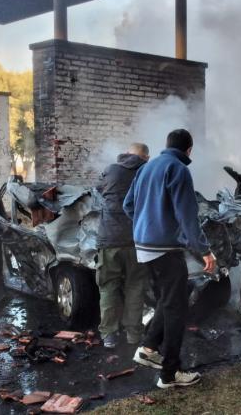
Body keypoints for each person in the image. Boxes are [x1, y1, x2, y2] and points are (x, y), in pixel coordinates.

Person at [123, 129, 217, 389]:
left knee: (168, 298)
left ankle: (148, 348)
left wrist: (146, 226)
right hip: (165, 250)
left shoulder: (147, 167)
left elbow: (127, 206)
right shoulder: (179, 169)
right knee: (177, 310)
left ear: (166, 145)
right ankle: (169, 374)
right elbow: (188, 217)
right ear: (189, 150)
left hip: (144, 249)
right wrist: (205, 251)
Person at [96, 143, 151, 348]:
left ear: (127, 153)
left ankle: (109, 335)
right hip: (138, 240)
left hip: (109, 239)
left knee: (108, 287)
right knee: (135, 288)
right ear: (146, 157)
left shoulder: (110, 170)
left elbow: (98, 191)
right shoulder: (148, 172)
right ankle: (134, 336)